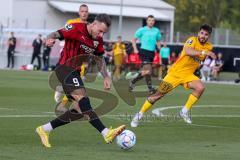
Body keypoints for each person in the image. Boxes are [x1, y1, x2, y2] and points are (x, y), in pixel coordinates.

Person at [35, 14, 125, 148]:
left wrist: (106, 76)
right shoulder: (76, 28)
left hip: (75, 72)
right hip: (64, 69)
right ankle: (106, 133)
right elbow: (56, 33)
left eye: (104, 33)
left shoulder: (97, 40)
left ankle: (44, 129)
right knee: (84, 101)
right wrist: (49, 39)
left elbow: (99, 59)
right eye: (100, 31)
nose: (101, 35)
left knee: (78, 110)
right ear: (94, 24)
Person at [130, 24, 216, 127]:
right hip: (175, 73)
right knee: (157, 96)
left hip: (188, 75)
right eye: (202, 33)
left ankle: (184, 111)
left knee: (200, 88)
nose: (203, 36)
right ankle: (139, 115)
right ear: (198, 33)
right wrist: (203, 52)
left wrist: (202, 64)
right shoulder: (192, 40)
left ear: (209, 36)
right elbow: (188, 51)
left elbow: (200, 60)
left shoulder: (209, 46)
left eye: (206, 34)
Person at [54, 4, 89, 112]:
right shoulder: (72, 23)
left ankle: (65, 104)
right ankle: (63, 91)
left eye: (86, 11)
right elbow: (62, 34)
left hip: (81, 61)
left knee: (78, 85)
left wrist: (87, 60)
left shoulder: (89, 26)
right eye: (82, 11)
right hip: (69, 58)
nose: (84, 13)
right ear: (79, 12)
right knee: (76, 85)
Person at [129, 15, 161, 94]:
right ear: (147, 21)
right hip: (143, 51)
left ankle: (149, 89)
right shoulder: (142, 30)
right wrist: (135, 49)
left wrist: (159, 48)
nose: (151, 22)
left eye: (152, 20)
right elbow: (133, 40)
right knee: (148, 71)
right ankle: (134, 81)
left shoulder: (156, 30)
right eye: (149, 20)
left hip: (152, 53)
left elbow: (158, 41)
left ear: (154, 22)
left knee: (147, 72)